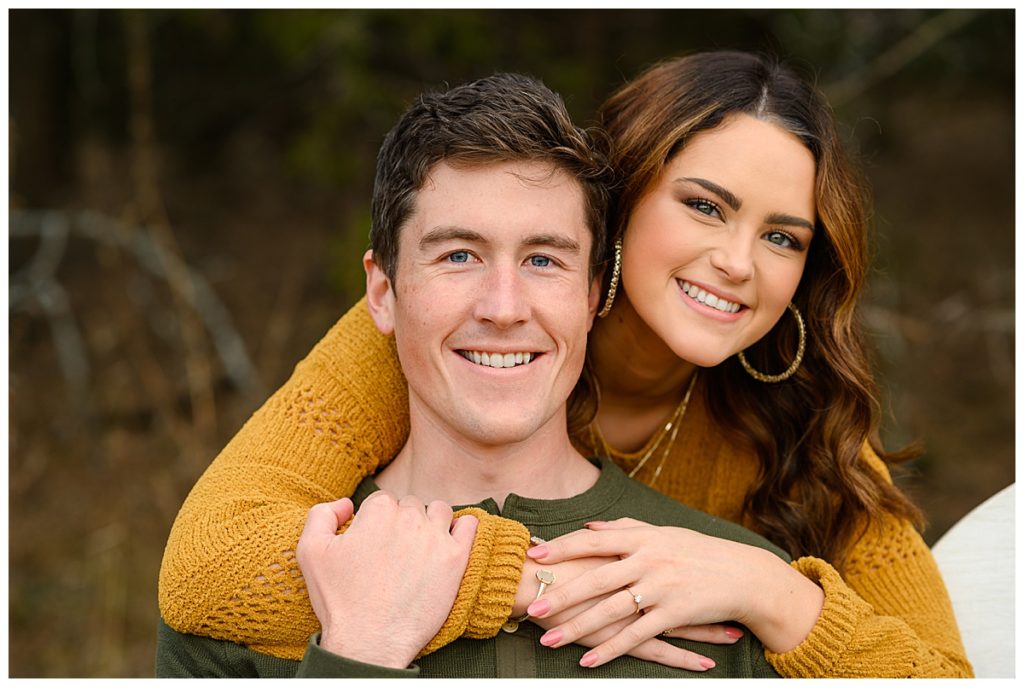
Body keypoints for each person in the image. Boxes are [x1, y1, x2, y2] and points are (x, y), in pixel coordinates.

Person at [157, 51, 971, 677]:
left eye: (782, 237)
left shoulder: (805, 424)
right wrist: (539, 582)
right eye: (704, 205)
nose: (737, 262)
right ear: (619, 208)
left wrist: (771, 589)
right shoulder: (450, 333)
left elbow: (941, 673)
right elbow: (206, 567)